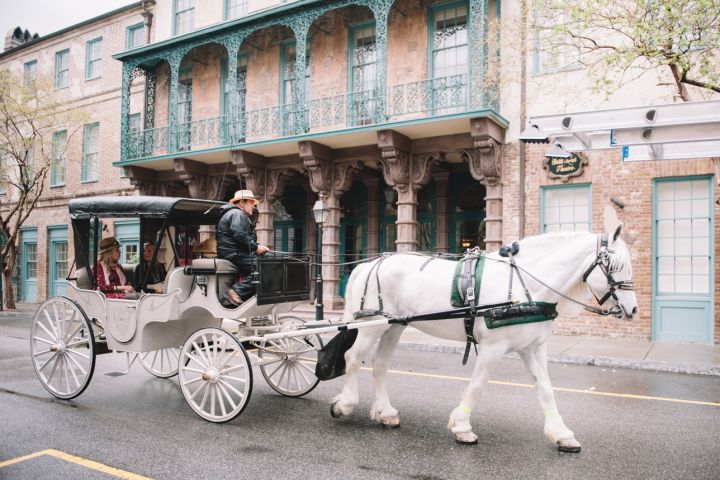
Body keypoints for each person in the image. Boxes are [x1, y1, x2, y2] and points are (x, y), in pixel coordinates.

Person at [216, 189, 269, 306]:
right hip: (233, 253)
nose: (253, 206)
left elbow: (242, 237)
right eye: (251, 203)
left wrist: (258, 246)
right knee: (264, 267)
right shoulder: (237, 214)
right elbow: (240, 236)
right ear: (242, 203)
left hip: (233, 252)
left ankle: (244, 297)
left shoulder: (234, 214)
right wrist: (256, 248)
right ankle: (236, 292)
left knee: (262, 265)